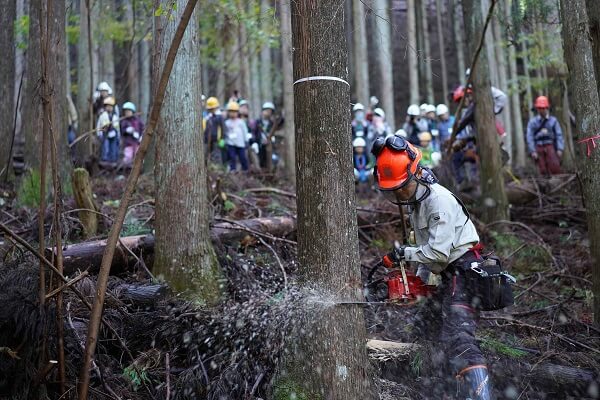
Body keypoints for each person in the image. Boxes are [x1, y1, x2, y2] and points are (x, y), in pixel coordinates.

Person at [371, 135, 492, 400]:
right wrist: (416, 284)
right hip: (448, 275)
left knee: (459, 338)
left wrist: (403, 253)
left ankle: (481, 395)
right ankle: (441, 389)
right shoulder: (418, 204)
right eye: (394, 189)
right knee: (424, 329)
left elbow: (438, 252)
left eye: (401, 186)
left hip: (464, 272)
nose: (398, 193)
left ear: (414, 174)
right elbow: (429, 256)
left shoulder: (438, 201)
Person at [526, 96, 564, 176]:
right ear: (537, 108)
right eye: (540, 108)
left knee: (555, 167)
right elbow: (530, 137)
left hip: (550, 146)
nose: (542, 110)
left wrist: (560, 148)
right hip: (538, 147)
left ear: (547, 108)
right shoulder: (533, 122)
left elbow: (559, 135)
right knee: (541, 170)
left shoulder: (553, 121)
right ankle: (543, 185)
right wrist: (533, 151)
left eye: (543, 108)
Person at [225, 101, 249, 171]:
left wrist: (246, 141)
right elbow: (226, 133)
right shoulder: (227, 123)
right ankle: (233, 170)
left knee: (242, 157)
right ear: (228, 112)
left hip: (240, 143)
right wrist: (226, 141)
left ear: (238, 112)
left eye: (234, 112)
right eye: (231, 111)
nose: (233, 113)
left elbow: (245, 132)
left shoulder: (241, 122)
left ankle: (245, 170)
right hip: (231, 143)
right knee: (232, 157)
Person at [96, 96, 120, 164]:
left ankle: (113, 160)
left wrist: (118, 135)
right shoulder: (102, 115)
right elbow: (99, 125)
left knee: (113, 147)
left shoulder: (115, 117)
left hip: (114, 134)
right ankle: (105, 159)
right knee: (105, 147)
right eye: (107, 106)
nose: (109, 108)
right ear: (105, 107)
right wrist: (99, 134)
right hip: (105, 134)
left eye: (111, 106)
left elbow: (118, 128)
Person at [204, 96, 227, 165]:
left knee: (217, 154)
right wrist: (205, 138)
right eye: (210, 109)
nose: (211, 110)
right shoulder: (208, 117)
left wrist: (223, 138)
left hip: (217, 139)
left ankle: (218, 167)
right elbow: (206, 129)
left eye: (213, 108)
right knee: (209, 153)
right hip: (209, 140)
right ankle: (210, 165)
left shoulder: (220, 117)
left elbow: (223, 128)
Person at [120, 102, 144, 167]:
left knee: (138, 154)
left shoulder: (138, 120)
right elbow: (122, 131)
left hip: (137, 142)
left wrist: (141, 136)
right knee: (128, 155)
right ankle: (126, 168)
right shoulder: (124, 121)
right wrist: (127, 130)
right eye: (126, 112)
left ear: (132, 111)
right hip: (128, 143)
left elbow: (142, 128)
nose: (127, 113)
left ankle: (138, 167)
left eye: (129, 111)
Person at [253, 102, 276, 168]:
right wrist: (254, 142)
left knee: (270, 159)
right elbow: (254, 132)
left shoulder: (272, 123)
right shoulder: (258, 122)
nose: (268, 112)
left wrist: (271, 139)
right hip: (259, 143)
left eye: (270, 111)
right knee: (260, 158)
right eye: (266, 110)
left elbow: (274, 133)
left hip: (269, 144)